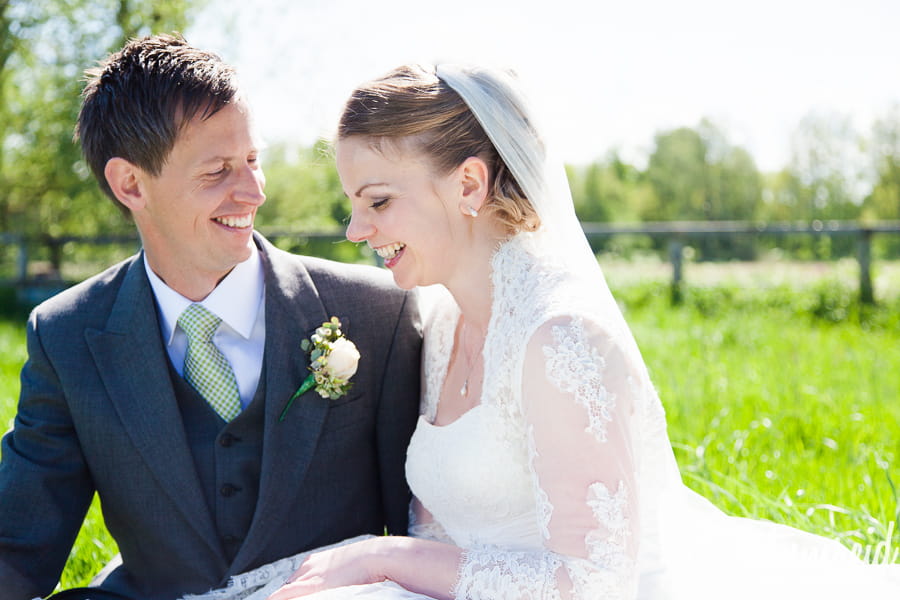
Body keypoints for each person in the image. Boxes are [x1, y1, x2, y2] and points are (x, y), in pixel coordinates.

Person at [256, 64, 900, 600]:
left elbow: (593, 582)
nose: (354, 230)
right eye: (353, 204)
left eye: (377, 201)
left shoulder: (560, 338)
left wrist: (384, 560)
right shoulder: (445, 321)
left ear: (469, 184)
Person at [0, 34, 422, 600]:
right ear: (130, 184)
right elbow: (19, 548)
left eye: (253, 160)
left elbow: (421, 533)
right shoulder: (66, 335)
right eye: (217, 170)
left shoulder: (378, 313)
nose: (252, 192)